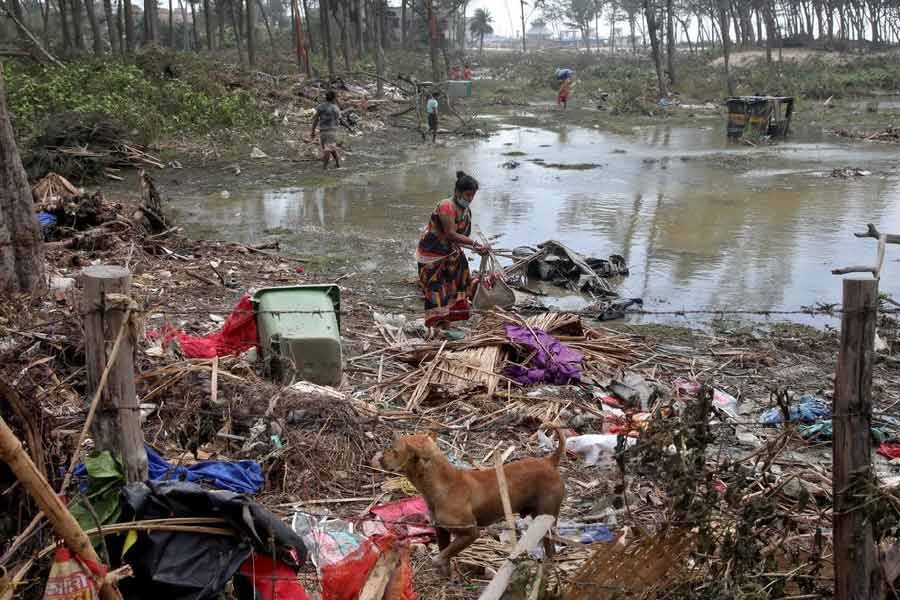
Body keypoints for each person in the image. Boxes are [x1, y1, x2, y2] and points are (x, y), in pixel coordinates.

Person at [416, 171, 489, 330]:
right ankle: (435, 327)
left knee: (456, 287)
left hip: (451, 253)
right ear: (457, 192)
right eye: (467, 195)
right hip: (432, 255)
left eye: (472, 196)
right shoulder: (446, 206)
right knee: (436, 290)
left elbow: (460, 239)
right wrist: (476, 244)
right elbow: (450, 234)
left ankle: (446, 326)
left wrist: (479, 249)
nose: (469, 199)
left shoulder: (466, 212)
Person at [311, 90, 341, 170]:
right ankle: (330, 166)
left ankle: (331, 166)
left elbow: (315, 120)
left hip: (323, 132)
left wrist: (312, 131)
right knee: (330, 149)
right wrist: (349, 127)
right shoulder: (335, 108)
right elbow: (340, 120)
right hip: (332, 131)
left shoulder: (321, 107)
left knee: (329, 148)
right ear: (334, 98)